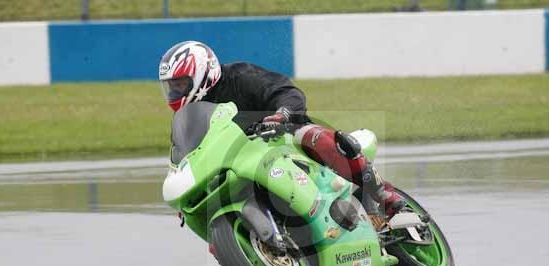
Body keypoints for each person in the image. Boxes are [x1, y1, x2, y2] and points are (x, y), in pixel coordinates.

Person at [159, 41, 403, 223]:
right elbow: (186, 158)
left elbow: (287, 92)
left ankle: (383, 194)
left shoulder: (240, 77)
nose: (175, 93)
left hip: (282, 137)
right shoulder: (190, 119)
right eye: (171, 87)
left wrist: (282, 114)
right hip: (244, 163)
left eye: (181, 85)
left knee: (313, 137)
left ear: (203, 72)